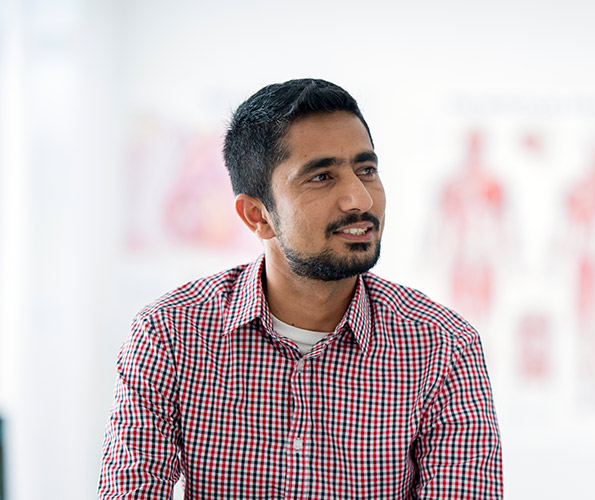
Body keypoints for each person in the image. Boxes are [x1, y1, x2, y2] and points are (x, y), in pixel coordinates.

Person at [99, 79, 503, 499]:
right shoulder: (170, 334)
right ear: (257, 215)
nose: (359, 199)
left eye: (366, 170)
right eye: (322, 177)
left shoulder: (443, 345)